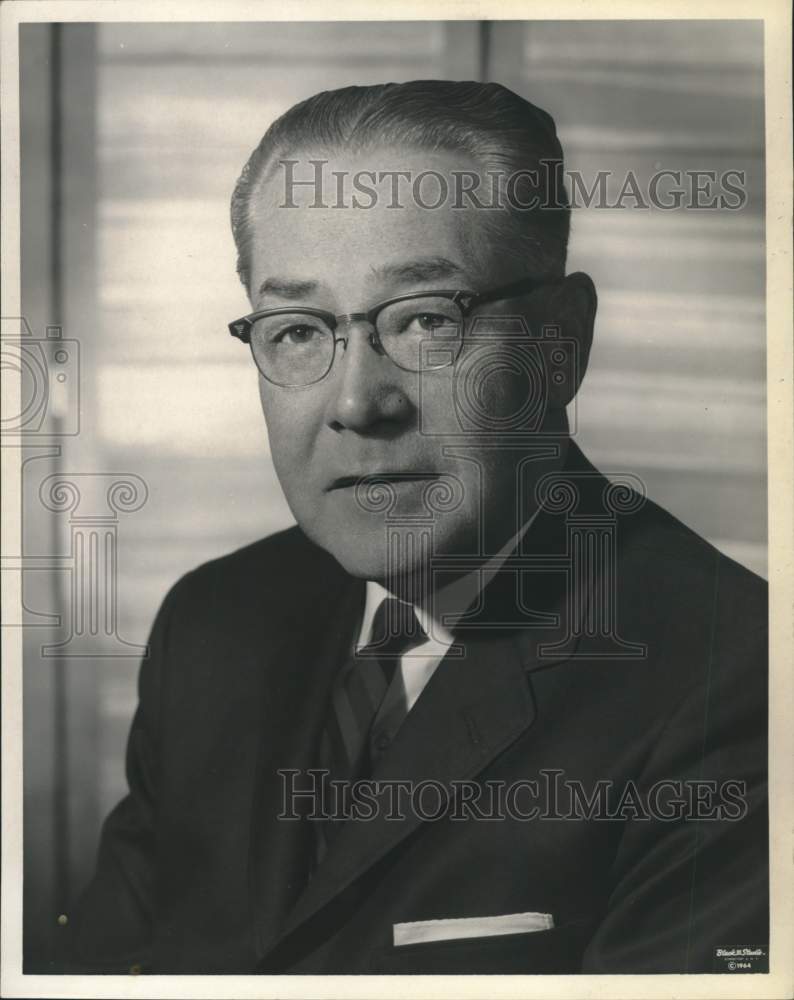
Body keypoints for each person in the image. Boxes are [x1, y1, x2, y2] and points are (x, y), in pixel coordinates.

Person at [68, 81, 768, 974]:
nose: (359, 403)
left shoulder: (736, 684)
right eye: (297, 331)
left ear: (562, 343)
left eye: (428, 319)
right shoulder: (214, 624)